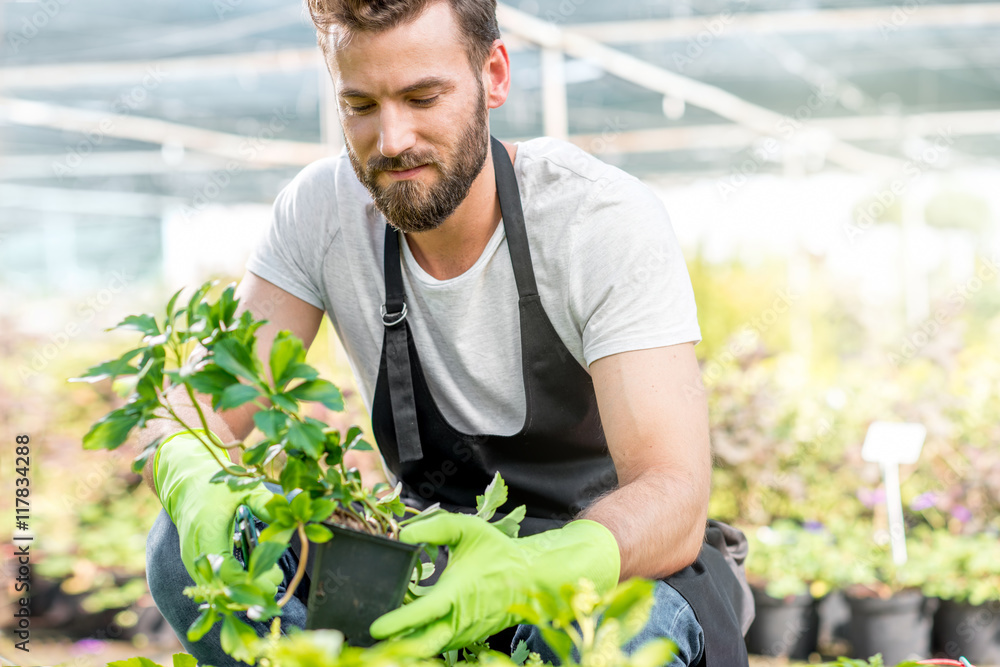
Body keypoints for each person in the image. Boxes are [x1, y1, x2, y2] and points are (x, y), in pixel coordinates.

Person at [143, 0, 754, 665]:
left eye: (422, 96)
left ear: (493, 75)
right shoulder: (322, 212)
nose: (393, 139)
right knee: (182, 544)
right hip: (426, 561)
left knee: (610, 631)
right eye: (361, 106)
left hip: (616, 566)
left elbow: (674, 494)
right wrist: (188, 469)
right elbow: (196, 406)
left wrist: (527, 570)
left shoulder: (596, 218)